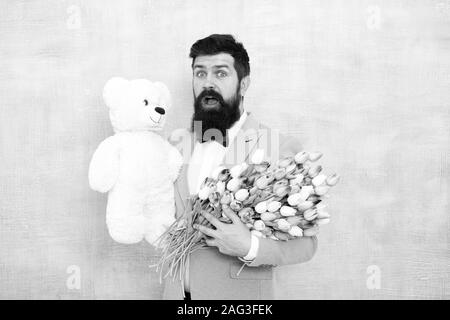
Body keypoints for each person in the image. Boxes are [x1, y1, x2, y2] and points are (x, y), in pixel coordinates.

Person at [163, 34, 318, 300]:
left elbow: (307, 244)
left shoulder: (278, 147)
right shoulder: (178, 145)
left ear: (244, 84)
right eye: (199, 74)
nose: (207, 83)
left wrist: (251, 246)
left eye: (220, 73)